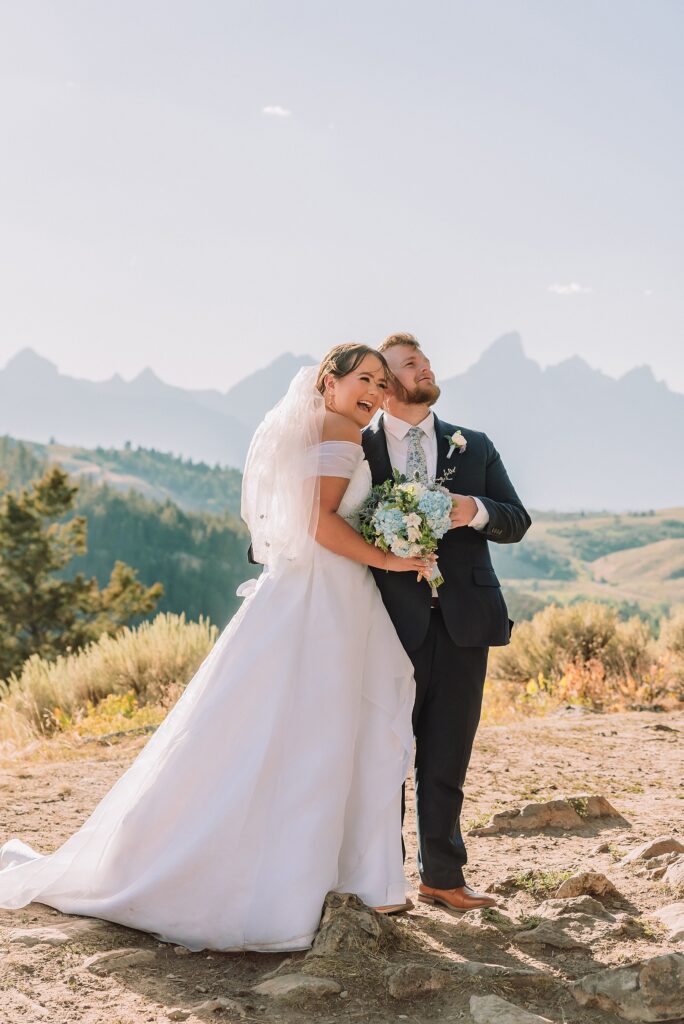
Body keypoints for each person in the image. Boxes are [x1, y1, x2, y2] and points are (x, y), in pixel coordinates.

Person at [0, 344, 430, 952]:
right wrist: (389, 555)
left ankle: (305, 880)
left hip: (313, 594)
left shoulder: (325, 427)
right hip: (323, 601)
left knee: (287, 733)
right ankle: (310, 890)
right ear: (327, 383)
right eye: (364, 378)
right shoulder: (339, 429)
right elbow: (319, 521)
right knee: (320, 736)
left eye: (382, 384)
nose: (374, 392)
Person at [362, 333, 531, 912]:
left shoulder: (474, 445)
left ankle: (443, 876)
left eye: (427, 361)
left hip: (464, 621)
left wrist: (474, 510)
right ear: (385, 384)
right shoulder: (359, 447)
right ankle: (382, 880)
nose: (425, 369)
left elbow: (516, 519)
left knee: (447, 752)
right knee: (383, 753)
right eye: (411, 364)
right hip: (383, 622)